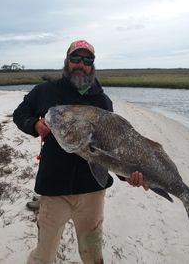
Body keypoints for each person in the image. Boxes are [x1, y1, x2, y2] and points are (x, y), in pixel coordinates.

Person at [13, 40, 149, 264]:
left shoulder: (103, 102)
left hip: (92, 191)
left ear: (93, 65)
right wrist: (34, 126)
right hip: (53, 188)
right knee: (43, 255)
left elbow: (112, 148)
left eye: (87, 60)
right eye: (76, 58)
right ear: (67, 61)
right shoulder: (45, 91)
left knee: (92, 254)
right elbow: (20, 114)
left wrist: (128, 177)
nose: (81, 64)